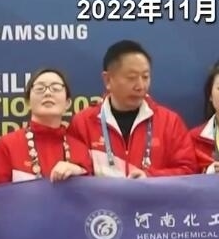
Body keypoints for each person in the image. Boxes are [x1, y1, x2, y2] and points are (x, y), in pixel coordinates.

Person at [68, 39, 197, 178]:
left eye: (145, 77)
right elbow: (76, 172)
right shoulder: (83, 123)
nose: (140, 86)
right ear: (108, 80)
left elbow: (188, 171)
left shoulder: (169, 122)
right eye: (132, 78)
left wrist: (150, 177)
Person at [0, 68, 93, 185]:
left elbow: (90, 193)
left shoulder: (80, 150)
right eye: (40, 88)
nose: (48, 93)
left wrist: (79, 173)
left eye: (56, 88)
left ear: (67, 103)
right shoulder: (8, 145)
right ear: (28, 102)